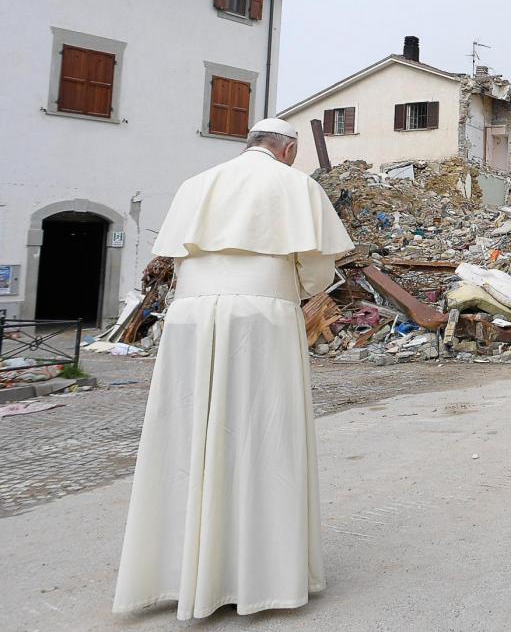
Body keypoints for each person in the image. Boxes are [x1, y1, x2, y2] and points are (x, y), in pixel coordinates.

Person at [113, 118, 354, 620]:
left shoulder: (196, 185)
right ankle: (259, 573)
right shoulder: (295, 184)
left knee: (186, 435)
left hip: (189, 319)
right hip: (260, 317)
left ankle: (179, 570)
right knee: (262, 437)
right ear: (287, 150)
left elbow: (175, 256)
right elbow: (317, 271)